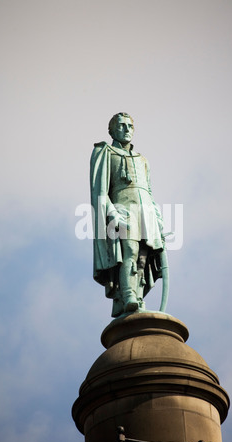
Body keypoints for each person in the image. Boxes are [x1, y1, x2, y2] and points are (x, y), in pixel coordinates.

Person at [90, 112, 164, 317]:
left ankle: (137, 296)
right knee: (129, 251)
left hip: (145, 211)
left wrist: (157, 217)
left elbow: (148, 191)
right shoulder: (104, 152)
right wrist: (111, 212)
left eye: (130, 126)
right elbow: (100, 190)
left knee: (142, 259)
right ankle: (128, 294)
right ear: (111, 130)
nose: (126, 130)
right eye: (121, 126)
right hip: (122, 208)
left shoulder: (143, 160)